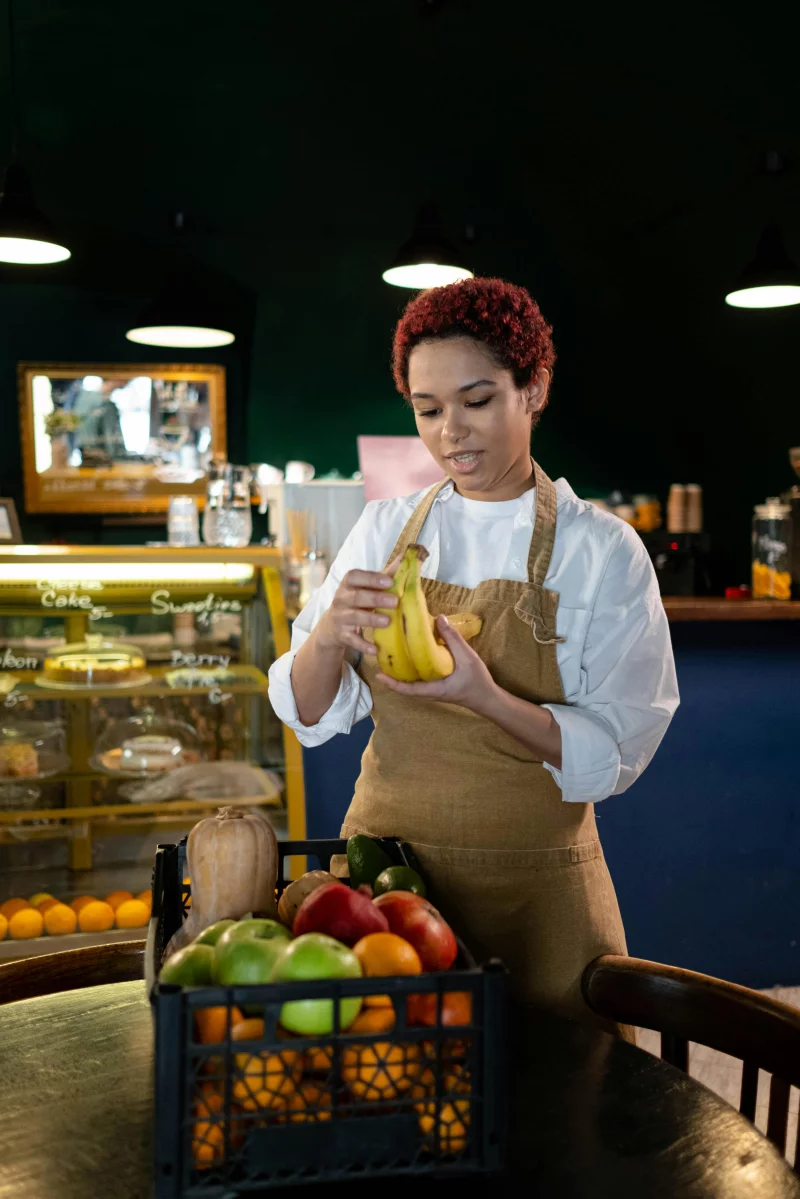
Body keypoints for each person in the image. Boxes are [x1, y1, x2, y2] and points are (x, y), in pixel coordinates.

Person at [268, 277, 679, 1037]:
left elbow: (617, 751)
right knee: (388, 1094)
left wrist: (484, 695)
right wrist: (326, 634)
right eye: (428, 410)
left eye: (478, 400)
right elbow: (310, 709)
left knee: (564, 1117)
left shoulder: (601, 550)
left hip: (539, 894)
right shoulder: (384, 529)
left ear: (535, 388)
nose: (452, 431)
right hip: (384, 889)